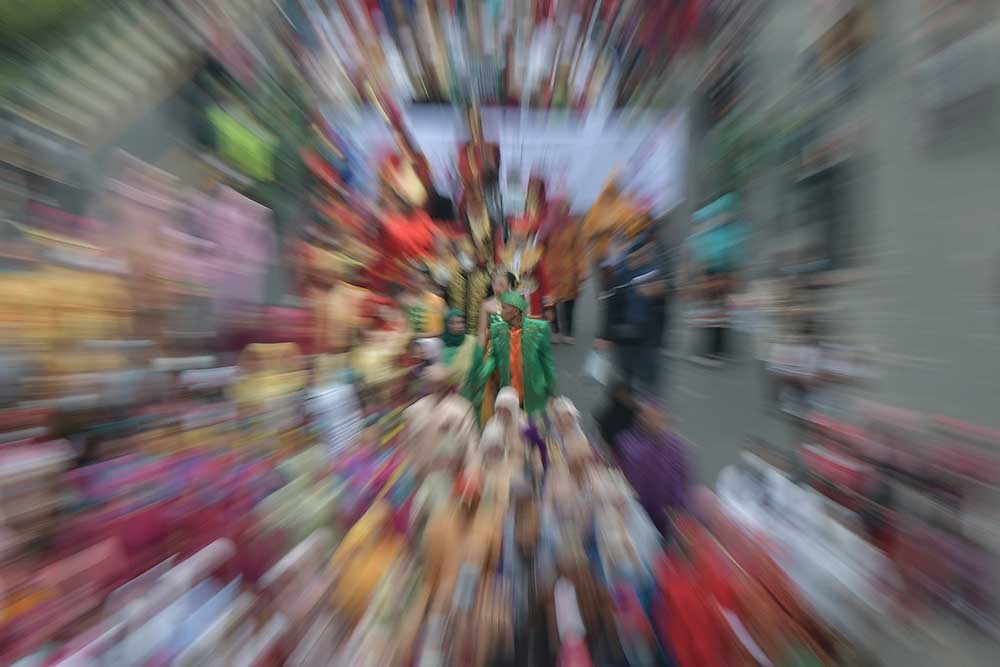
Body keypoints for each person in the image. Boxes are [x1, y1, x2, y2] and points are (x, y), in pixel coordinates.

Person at [595, 233, 667, 392]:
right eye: (642, 254)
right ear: (633, 255)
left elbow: (662, 309)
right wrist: (604, 336)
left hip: (648, 337)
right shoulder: (619, 277)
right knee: (627, 378)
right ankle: (631, 405)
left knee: (649, 382)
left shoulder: (655, 274)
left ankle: (646, 407)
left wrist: (658, 293)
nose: (646, 257)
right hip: (624, 338)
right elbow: (610, 308)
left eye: (648, 253)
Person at [474, 291, 558, 419]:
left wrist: (553, 392)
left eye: (504, 308)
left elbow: (547, 362)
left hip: (533, 392)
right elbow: (493, 357)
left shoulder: (540, 329)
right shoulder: (497, 329)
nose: (500, 312)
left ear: (515, 311)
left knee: (534, 432)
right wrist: (481, 376)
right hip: (508, 393)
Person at [440, 308, 483, 391]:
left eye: (460, 322)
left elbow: (479, 370)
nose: (456, 326)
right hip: (443, 394)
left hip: (468, 393)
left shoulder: (472, 343)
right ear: (446, 325)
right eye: (451, 323)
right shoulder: (439, 345)